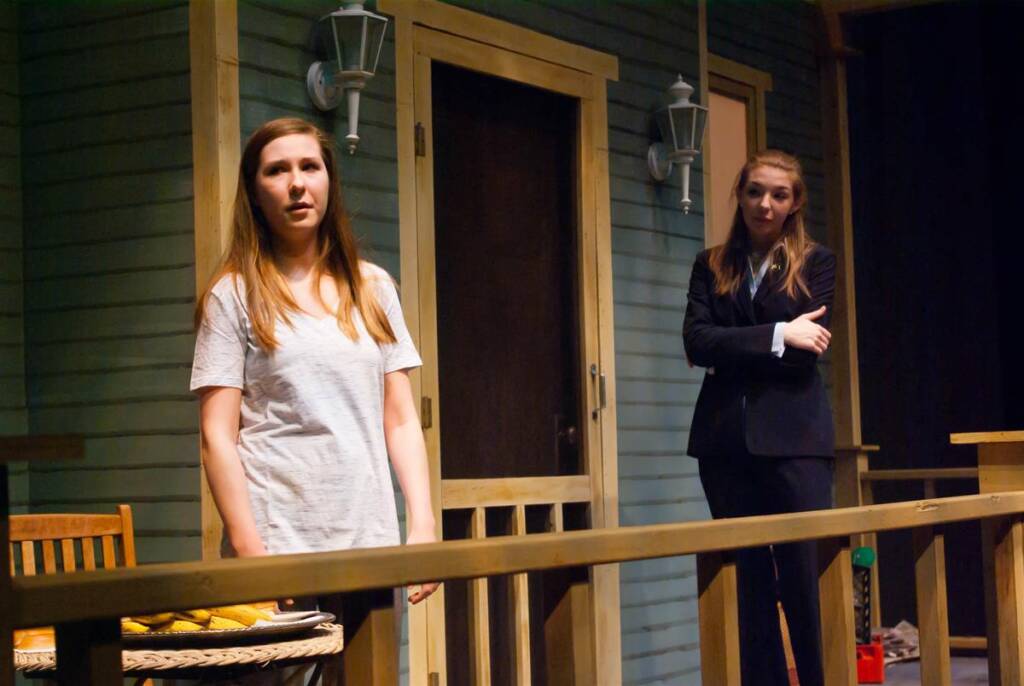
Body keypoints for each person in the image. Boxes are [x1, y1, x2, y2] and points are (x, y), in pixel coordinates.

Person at [190, 118, 439, 621]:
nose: (297, 182)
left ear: (329, 181)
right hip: (278, 542)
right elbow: (217, 435)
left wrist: (423, 523)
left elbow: (401, 418)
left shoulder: (373, 288)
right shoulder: (233, 295)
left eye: (310, 166)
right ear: (255, 193)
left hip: (368, 540)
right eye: (277, 171)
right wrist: (249, 553)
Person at [682, 150, 836, 686]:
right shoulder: (711, 263)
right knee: (744, 582)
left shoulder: (816, 262)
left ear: (794, 204)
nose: (764, 204)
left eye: (778, 195)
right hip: (723, 444)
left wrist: (742, 346)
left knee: (803, 579)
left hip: (796, 442)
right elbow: (696, 342)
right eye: (754, 192)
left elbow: (803, 355)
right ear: (740, 195)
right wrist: (777, 333)